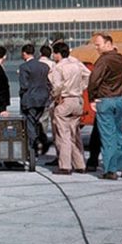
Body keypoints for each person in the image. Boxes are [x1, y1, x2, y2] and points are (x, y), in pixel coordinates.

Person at [86, 32, 122, 180]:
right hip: (119, 99)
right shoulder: (120, 58)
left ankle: (110, 170)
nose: (96, 48)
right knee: (119, 135)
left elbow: (94, 80)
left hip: (105, 100)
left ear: (108, 44)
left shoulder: (103, 60)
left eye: (98, 45)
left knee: (107, 136)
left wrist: (92, 98)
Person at [47, 42, 90, 174]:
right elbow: (87, 74)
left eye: (54, 53)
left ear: (57, 54)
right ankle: (80, 164)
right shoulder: (76, 64)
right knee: (74, 133)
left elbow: (57, 86)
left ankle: (65, 165)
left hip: (65, 100)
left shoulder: (58, 68)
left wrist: (56, 96)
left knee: (63, 134)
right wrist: (81, 87)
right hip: (77, 100)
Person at [18, 43, 51, 155]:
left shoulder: (24, 67)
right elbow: (48, 83)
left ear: (24, 54)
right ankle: (40, 142)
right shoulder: (44, 66)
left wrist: (22, 96)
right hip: (43, 99)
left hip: (30, 99)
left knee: (30, 124)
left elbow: (24, 85)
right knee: (37, 122)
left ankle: (33, 146)